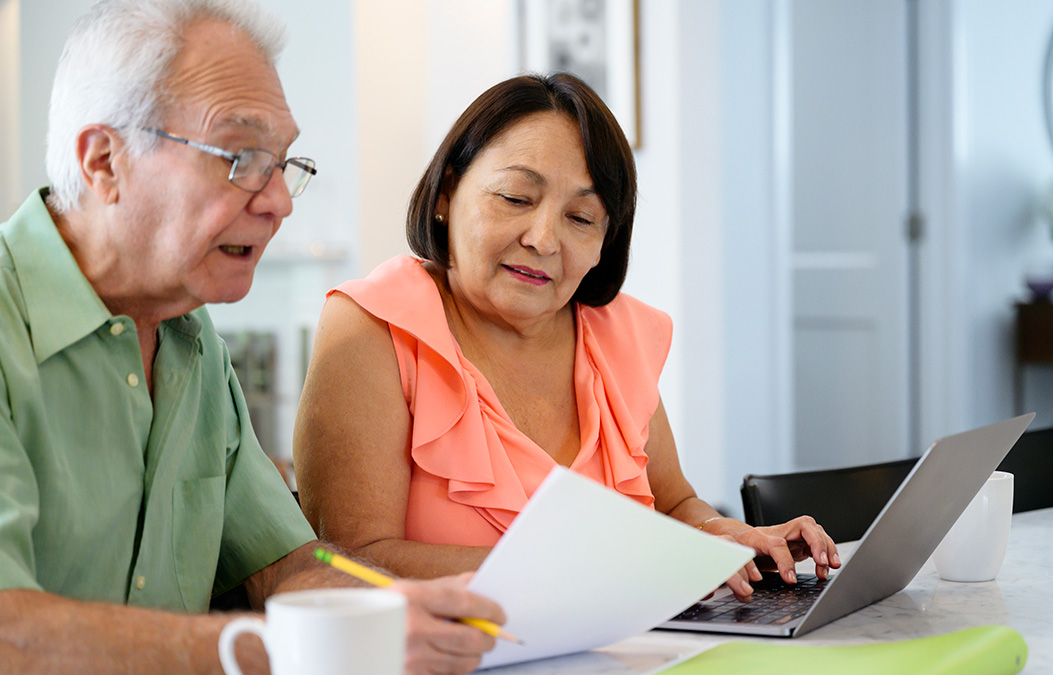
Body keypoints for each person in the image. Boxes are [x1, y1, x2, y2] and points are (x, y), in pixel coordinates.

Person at [0, 1, 504, 673]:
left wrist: (430, 610)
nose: (279, 199)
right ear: (103, 162)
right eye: (239, 156)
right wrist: (288, 646)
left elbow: (289, 565)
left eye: (283, 162)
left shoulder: (190, 334)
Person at [293, 73, 841, 602]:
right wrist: (595, 568)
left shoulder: (617, 332)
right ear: (446, 193)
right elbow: (345, 561)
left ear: (606, 241)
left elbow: (674, 505)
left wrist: (722, 535)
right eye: (514, 198)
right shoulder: (373, 327)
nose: (543, 239)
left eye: (581, 217)